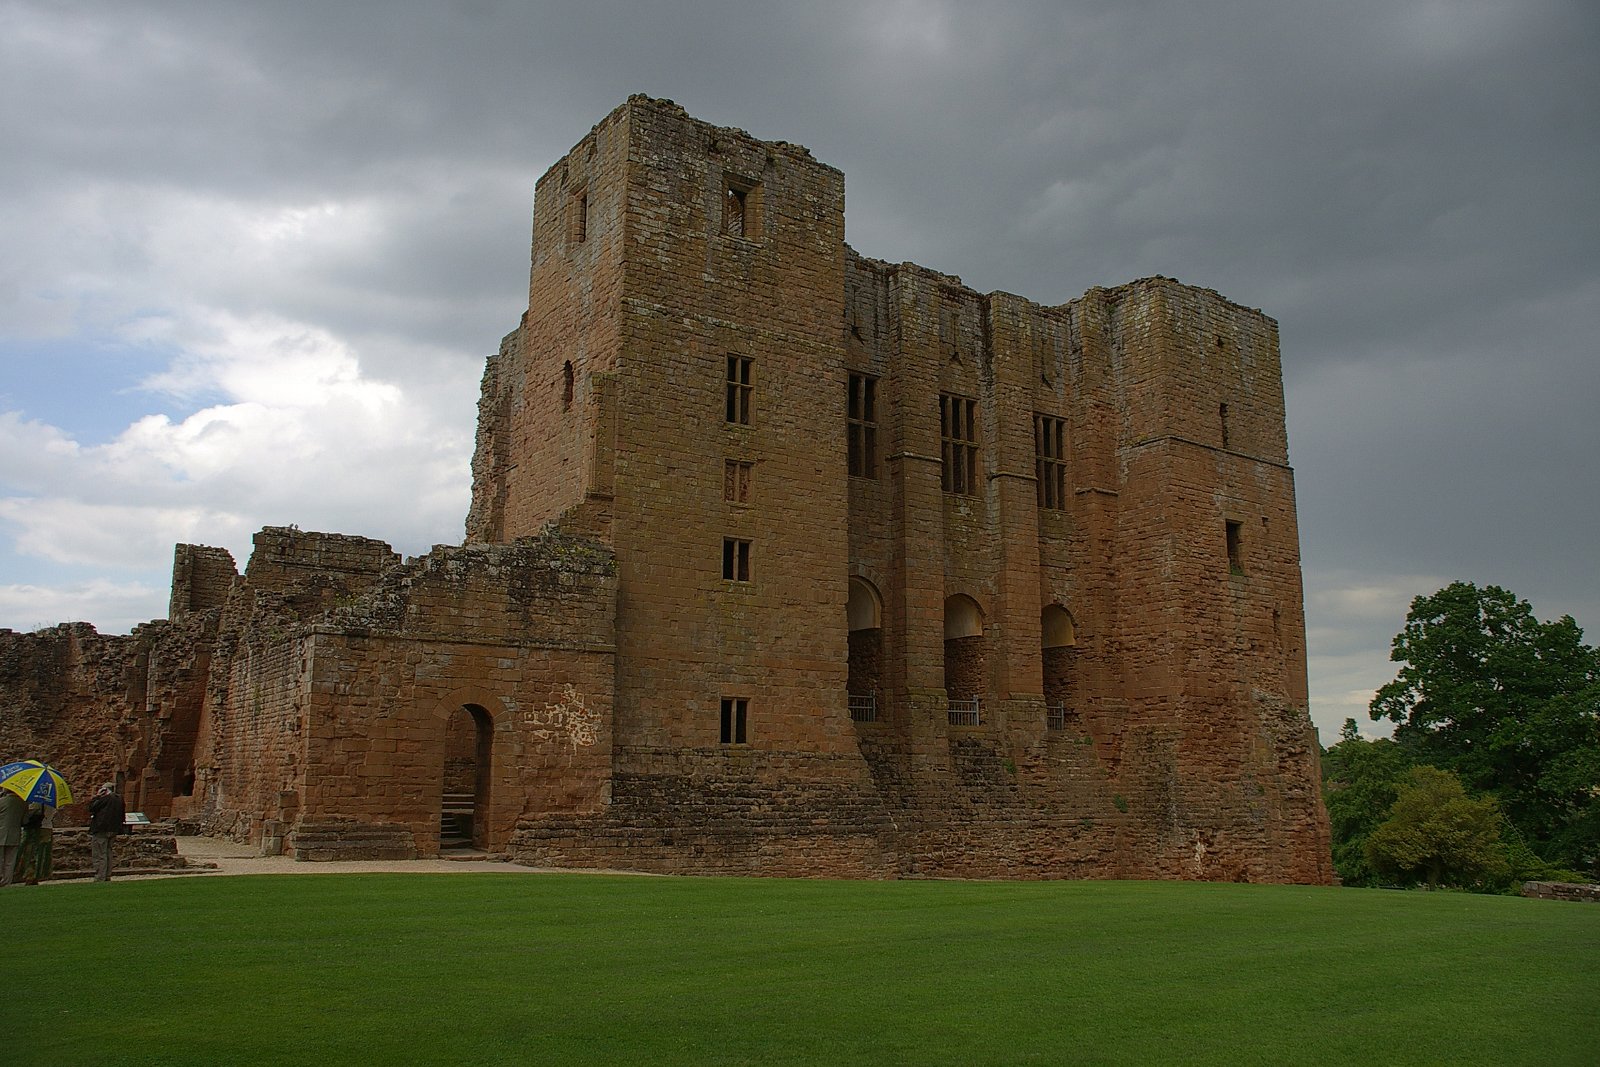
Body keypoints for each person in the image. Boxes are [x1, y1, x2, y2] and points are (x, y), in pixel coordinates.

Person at [88, 781, 126, 882]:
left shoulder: (105, 798)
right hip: (114, 829)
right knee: (108, 852)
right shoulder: (119, 799)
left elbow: (92, 807)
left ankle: (100, 876)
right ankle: (107, 875)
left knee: (100, 853)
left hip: (101, 828)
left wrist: (97, 796)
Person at [19, 802, 54, 884]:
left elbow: (29, 814)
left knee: (32, 852)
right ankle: (40, 874)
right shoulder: (52, 802)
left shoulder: (38, 802)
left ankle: (31, 875)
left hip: (37, 828)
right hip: (48, 827)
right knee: (43, 853)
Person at [0, 789, 23, 887]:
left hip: (1, 833)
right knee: (10, 861)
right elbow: (25, 820)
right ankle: (7, 882)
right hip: (15, 834)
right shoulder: (23, 804)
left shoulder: (2, 801)